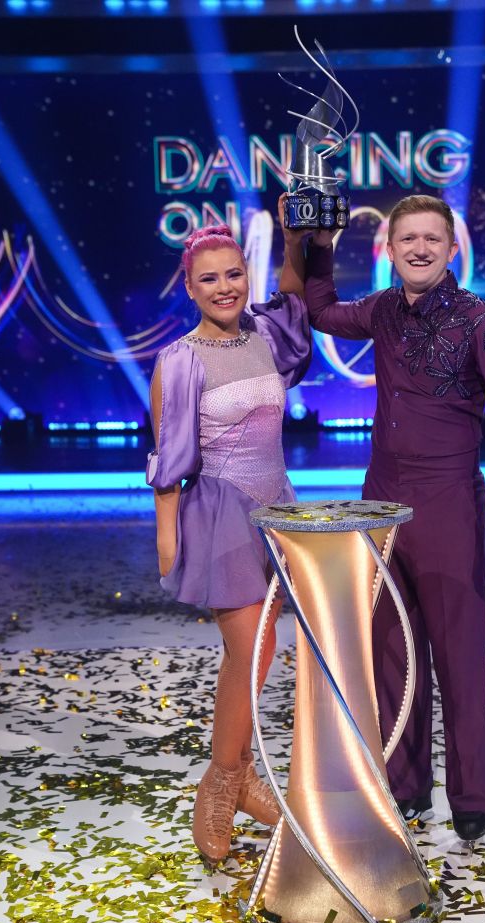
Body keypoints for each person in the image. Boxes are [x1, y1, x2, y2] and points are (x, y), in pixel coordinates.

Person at [300, 194, 485, 842]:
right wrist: (319, 245)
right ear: (389, 248)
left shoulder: (480, 322)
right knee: (391, 658)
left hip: (447, 508)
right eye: (407, 238)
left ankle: (471, 799)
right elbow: (321, 311)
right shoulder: (382, 310)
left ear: (450, 247)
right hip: (381, 505)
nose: (419, 248)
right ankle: (406, 791)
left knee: (458, 660)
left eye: (431, 238)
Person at [147, 211, 310, 864]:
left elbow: (296, 300)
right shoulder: (178, 361)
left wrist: (297, 241)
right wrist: (167, 543)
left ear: (248, 276)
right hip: (219, 518)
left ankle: (239, 777)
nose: (224, 288)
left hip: (276, 510)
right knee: (251, 652)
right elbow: (168, 461)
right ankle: (219, 785)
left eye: (234, 275)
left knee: (258, 655)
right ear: (189, 287)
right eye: (209, 279)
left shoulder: (267, 334)